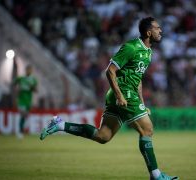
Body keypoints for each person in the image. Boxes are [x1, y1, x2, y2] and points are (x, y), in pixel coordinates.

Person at [40, 17, 179, 180]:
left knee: (103, 136)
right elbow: (110, 71)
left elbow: (137, 78)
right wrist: (120, 95)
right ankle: (156, 175)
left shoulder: (148, 52)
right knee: (147, 130)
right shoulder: (131, 47)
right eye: (157, 28)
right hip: (123, 93)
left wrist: (141, 102)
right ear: (149, 32)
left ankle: (60, 124)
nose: (160, 30)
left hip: (126, 94)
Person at [14, 64, 37, 139]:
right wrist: (17, 89)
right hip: (21, 101)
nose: (29, 71)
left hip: (28, 101)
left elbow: (36, 90)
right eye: (27, 69)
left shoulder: (33, 80)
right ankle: (20, 131)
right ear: (25, 70)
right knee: (22, 115)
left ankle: (21, 131)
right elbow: (13, 82)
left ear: (31, 71)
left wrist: (32, 87)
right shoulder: (21, 78)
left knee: (24, 116)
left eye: (30, 70)